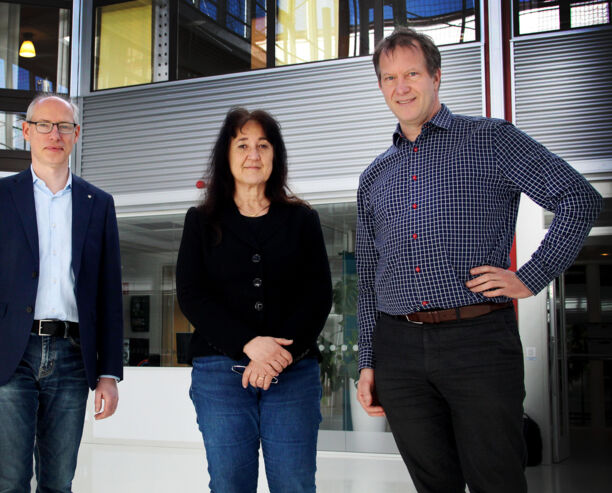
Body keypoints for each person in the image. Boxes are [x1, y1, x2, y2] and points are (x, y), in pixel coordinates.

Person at [355, 28, 602, 493]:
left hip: (478, 343)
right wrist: (369, 361)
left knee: (496, 481)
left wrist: (531, 277)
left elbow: (578, 197)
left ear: (436, 77)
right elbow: (368, 279)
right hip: (398, 350)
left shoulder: (491, 140)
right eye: (389, 78)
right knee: (434, 484)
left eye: (411, 74)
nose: (401, 87)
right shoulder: (374, 176)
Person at [0, 94, 124, 493]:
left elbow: (108, 297)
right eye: (44, 125)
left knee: (58, 481)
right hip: (11, 355)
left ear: (77, 135)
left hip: (72, 358)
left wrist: (109, 372)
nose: (54, 134)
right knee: (11, 478)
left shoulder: (98, 204)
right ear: (26, 131)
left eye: (64, 126)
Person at [176, 107, 332, 492]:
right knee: (230, 484)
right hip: (219, 373)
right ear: (225, 155)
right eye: (243, 144)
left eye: (263, 145)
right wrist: (248, 344)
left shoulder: (302, 220)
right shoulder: (200, 221)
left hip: (293, 372)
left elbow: (318, 295)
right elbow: (192, 295)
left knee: (294, 483)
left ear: (275, 156)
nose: (253, 154)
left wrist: (279, 356)